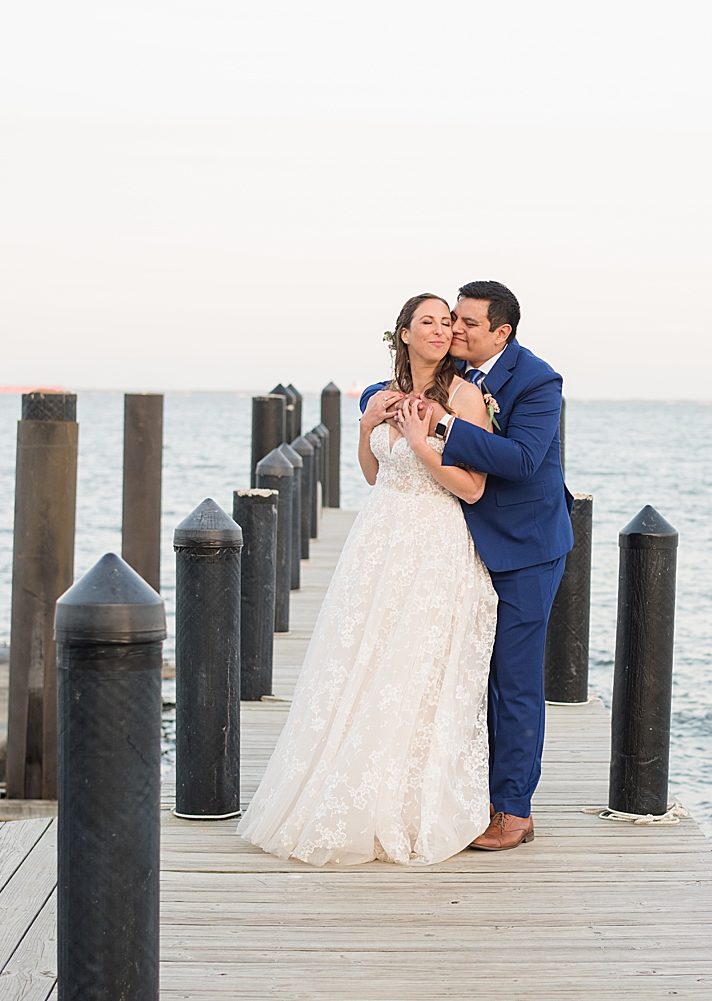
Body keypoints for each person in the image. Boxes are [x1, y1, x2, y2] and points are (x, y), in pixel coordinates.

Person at [237, 292, 497, 866]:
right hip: (379, 540)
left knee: (415, 667)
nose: (438, 330)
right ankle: (347, 791)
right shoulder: (383, 395)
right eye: (425, 322)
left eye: (444, 322)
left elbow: (473, 487)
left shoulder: (465, 395)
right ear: (402, 334)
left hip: (435, 541)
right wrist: (367, 430)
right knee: (362, 659)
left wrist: (421, 442)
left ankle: (407, 805)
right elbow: (376, 476)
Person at [363, 280, 573, 851]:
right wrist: (374, 409)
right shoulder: (455, 374)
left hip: (524, 547)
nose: (454, 330)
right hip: (454, 544)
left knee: (515, 679)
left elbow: (526, 460)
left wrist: (439, 427)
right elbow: (393, 387)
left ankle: (513, 810)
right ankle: (462, 792)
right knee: (458, 673)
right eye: (451, 319)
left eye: (468, 324)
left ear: (501, 333)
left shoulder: (536, 380)